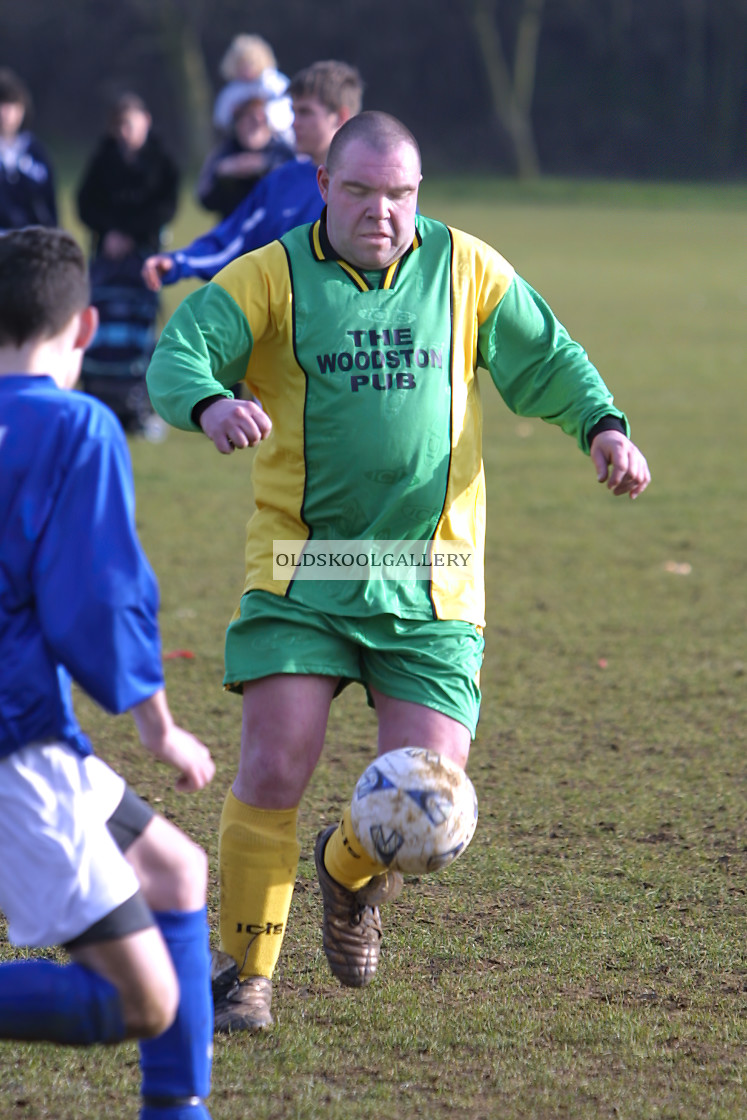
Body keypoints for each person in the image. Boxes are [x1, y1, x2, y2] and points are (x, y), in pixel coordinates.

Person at [145, 111, 651, 1035]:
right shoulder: (270, 274)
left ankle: (345, 876)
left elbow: (547, 356)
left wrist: (603, 426)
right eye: (362, 191)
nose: (383, 211)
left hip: (432, 577)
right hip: (307, 569)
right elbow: (178, 354)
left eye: (401, 193)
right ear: (326, 189)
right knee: (273, 762)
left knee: (431, 800)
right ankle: (246, 973)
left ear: (418, 192)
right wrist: (212, 403)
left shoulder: (466, 269)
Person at [0, 227, 215, 1120]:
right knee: (141, 999)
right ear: (86, 325)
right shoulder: (74, 424)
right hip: (16, 745)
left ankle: (178, 1111)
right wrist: (159, 724)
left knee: (176, 872)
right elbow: (101, 597)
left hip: (33, 726)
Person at [142, 60, 363, 292]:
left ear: (340, 117)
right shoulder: (281, 182)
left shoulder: (372, 188)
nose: (294, 123)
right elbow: (232, 241)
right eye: (293, 111)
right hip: (285, 327)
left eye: (305, 112)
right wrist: (178, 262)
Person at [77, 92, 179, 435]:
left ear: (146, 122)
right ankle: (100, 395)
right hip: (106, 260)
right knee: (101, 327)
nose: (125, 132)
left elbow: (167, 204)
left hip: (144, 259)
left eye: (131, 124)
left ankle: (140, 403)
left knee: (142, 330)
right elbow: (85, 203)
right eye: (119, 125)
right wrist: (109, 232)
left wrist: (131, 235)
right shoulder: (102, 160)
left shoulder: (161, 160)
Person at [196, 82, 295, 220]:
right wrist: (226, 175)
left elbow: (295, 188)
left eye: (260, 118)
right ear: (236, 123)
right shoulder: (224, 153)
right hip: (234, 231)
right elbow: (205, 199)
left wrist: (264, 166)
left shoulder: (282, 152)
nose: (255, 123)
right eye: (248, 117)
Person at [0, 67, 57, 231]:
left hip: (29, 238)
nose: (6, 114)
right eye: (2, 105)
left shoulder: (35, 152)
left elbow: (48, 202)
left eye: (12, 106)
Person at [211, 33, 293, 144]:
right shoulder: (231, 91)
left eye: (250, 63)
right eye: (241, 64)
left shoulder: (273, 83)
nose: (246, 69)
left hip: (278, 140)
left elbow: (288, 111)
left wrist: (264, 114)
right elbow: (221, 119)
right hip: (240, 144)